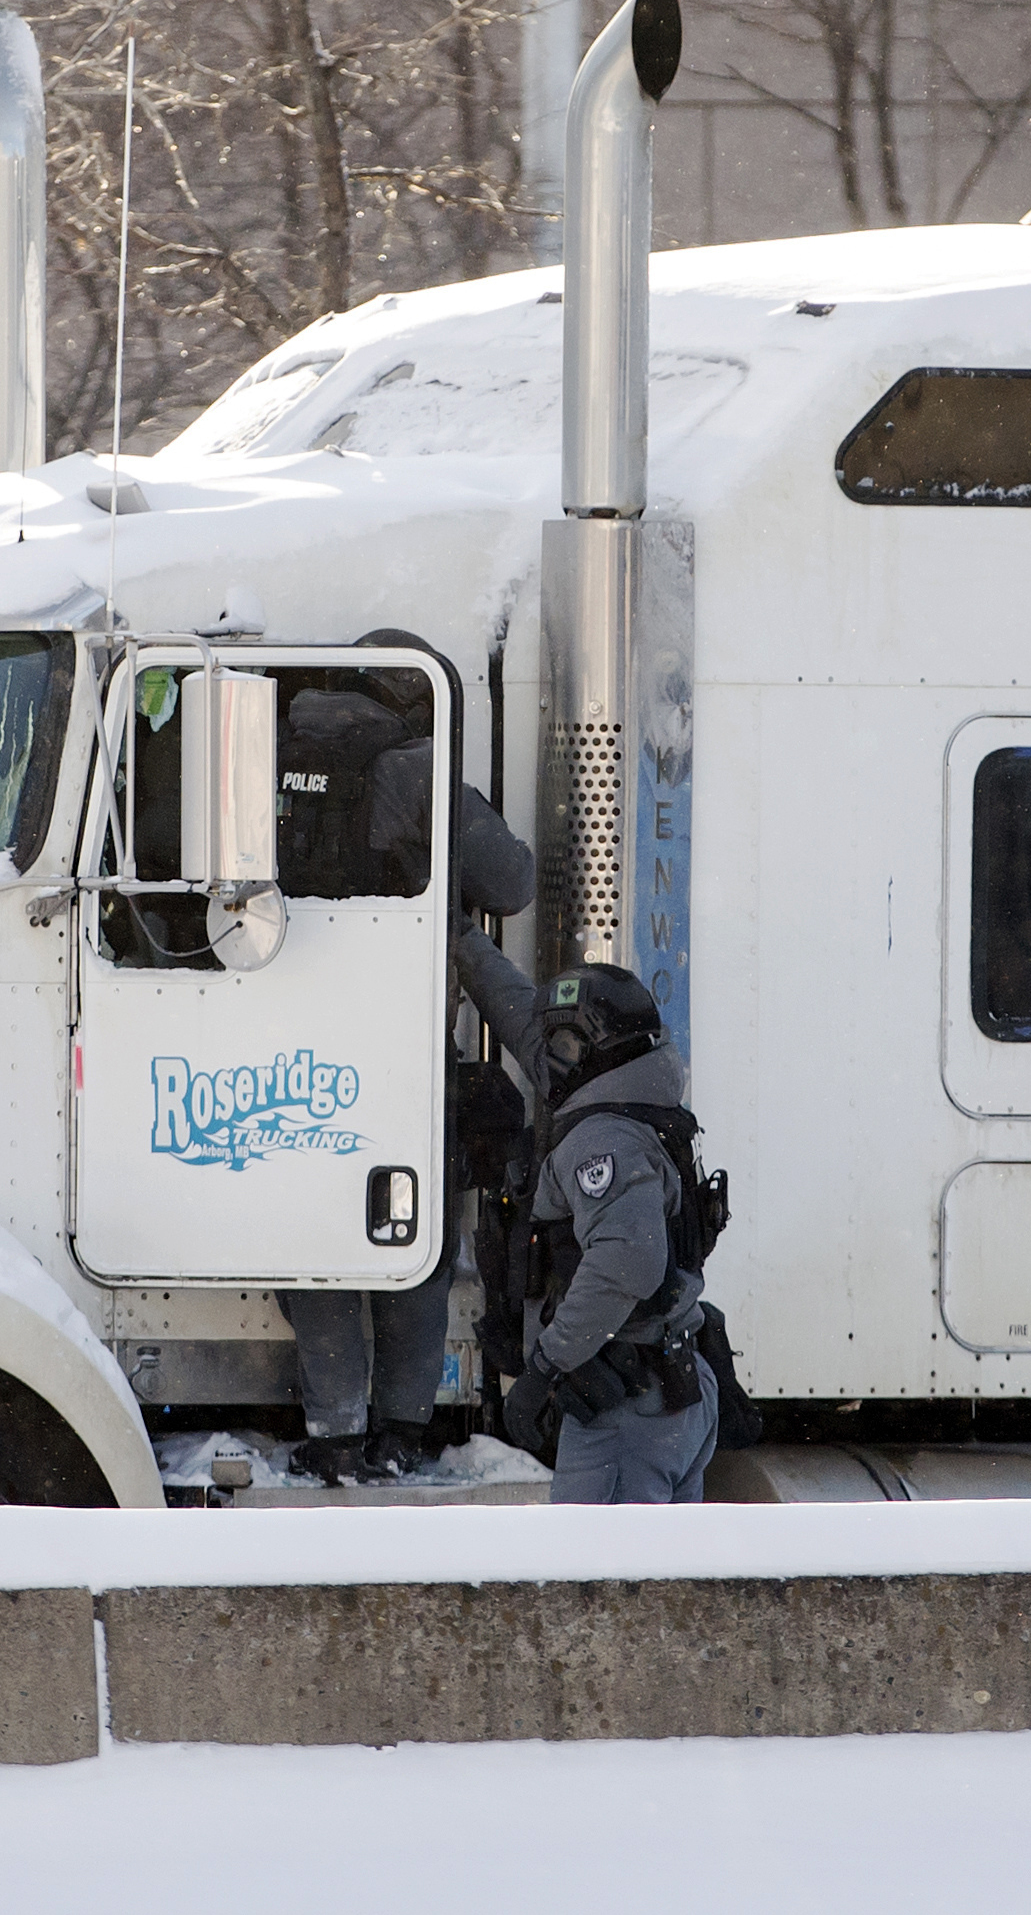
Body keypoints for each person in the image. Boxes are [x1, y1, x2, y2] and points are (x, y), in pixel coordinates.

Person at [281, 640, 535, 1483]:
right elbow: (513, 883)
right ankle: (400, 1430)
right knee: (414, 1235)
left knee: (313, 1235)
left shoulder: (263, 748)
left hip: (285, 1044)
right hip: (403, 1046)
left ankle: (334, 1427)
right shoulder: (423, 767)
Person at [452, 928, 719, 1505]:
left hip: (624, 1405)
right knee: (660, 1586)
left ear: (600, 1048)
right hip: (663, 1390)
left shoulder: (604, 1136)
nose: (550, 1059)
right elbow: (521, 1012)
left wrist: (545, 1367)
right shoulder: (638, 1097)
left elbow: (629, 1263)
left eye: (565, 1046)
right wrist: (460, 939)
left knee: (603, 1587)